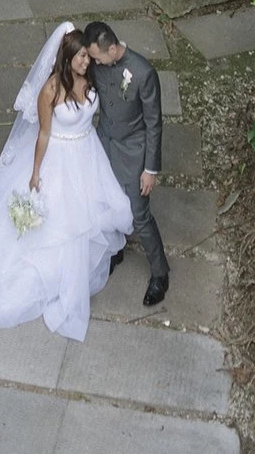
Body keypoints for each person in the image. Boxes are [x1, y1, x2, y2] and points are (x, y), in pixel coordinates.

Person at [0, 20, 133, 340]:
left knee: (94, 211)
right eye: (78, 57)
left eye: (87, 57)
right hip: (58, 157)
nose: (84, 62)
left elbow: (115, 66)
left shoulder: (92, 78)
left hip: (88, 153)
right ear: (65, 57)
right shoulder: (50, 90)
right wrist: (35, 173)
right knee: (59, 223)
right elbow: (44, 134)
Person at [84, 17, 169, 306]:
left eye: (95, 57)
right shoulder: (97, 64)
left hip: (134, 150)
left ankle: (160, 273)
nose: (92, 63)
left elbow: (154, 123)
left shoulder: (143, 72)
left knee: (139, 213)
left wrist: (150, 169)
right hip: (104, 143)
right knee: (106, 201)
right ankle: (115, 249)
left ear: (110, 49)